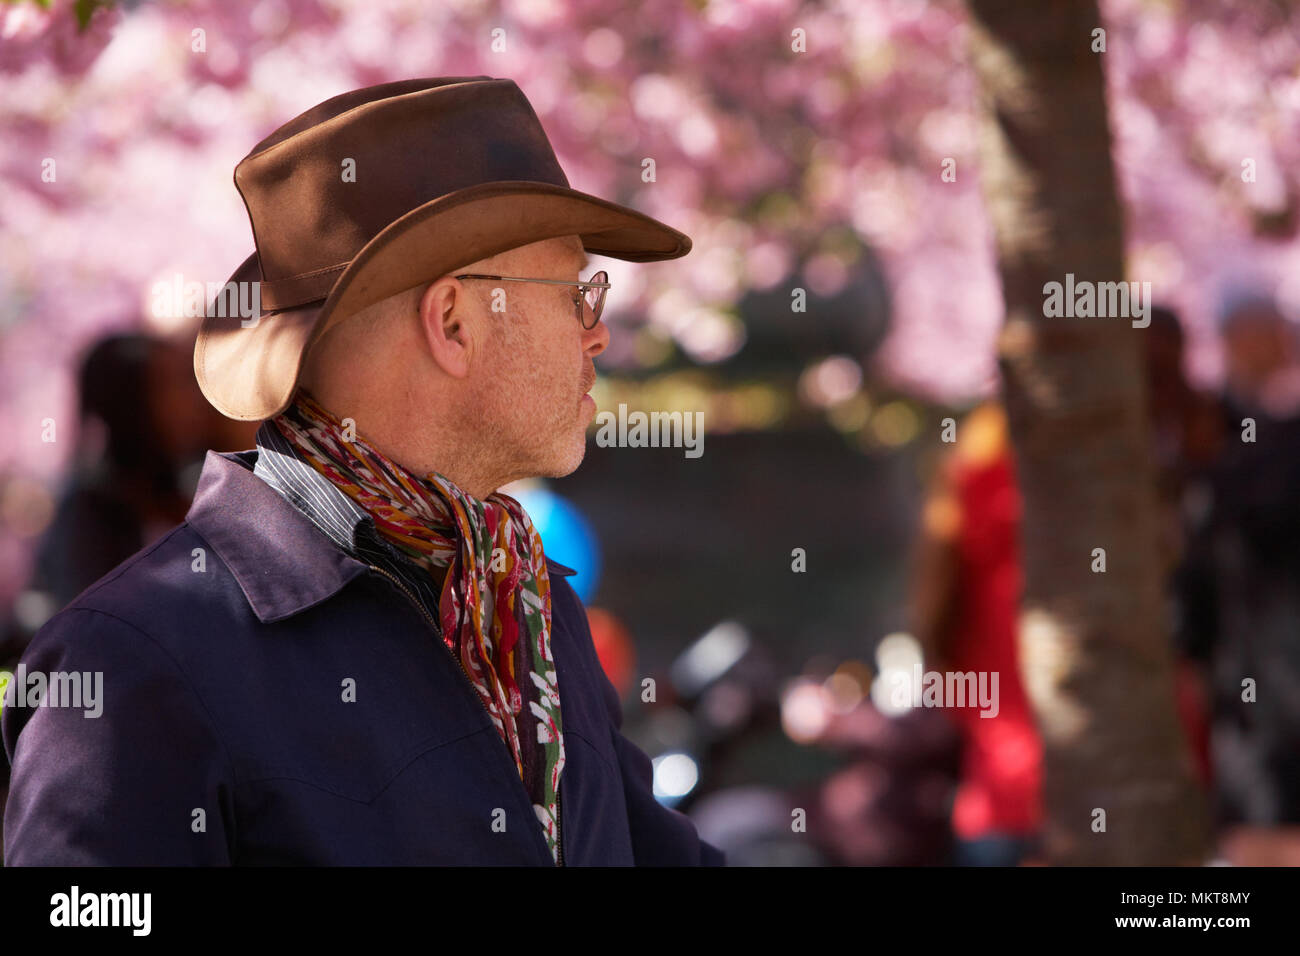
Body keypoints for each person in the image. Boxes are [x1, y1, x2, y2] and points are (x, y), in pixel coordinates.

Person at [2, 76, 724, 865]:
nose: (598, 335)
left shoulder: (532, 605)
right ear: (452, 321)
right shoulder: (136, 659)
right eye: (577, 293)